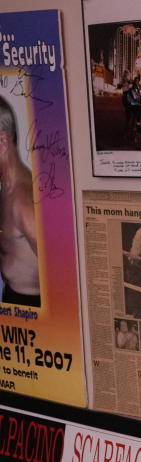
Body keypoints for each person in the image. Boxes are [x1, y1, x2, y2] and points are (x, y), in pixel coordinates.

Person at [0, 95, 40, 308]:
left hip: (31, 307)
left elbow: (61, 274)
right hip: (12, 300)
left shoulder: (24, 198)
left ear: (3, 140)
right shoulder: (6, 190)